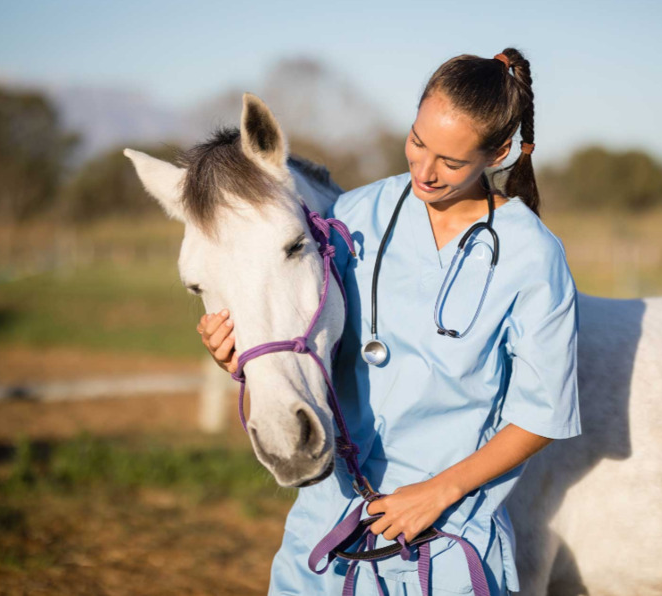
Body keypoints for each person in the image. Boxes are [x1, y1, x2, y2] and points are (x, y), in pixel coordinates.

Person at [197, 48, 581, 595]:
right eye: (417, 142)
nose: (424, 171)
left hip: (445, 541)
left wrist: (438, 493)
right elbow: (305, 335)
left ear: (497, 153)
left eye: (450, 162)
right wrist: (239, 355)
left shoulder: (532, 256)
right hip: (328, 529)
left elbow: (542, 415)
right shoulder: (351, 216)